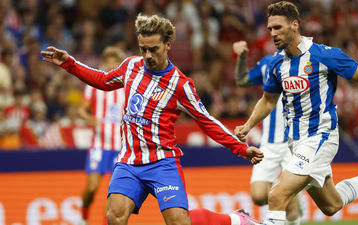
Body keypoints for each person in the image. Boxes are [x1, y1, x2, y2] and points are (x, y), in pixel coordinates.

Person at [42, 14, 264, 225]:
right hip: (129, 162)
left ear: (168, 45)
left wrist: (241, 149)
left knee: (179, 222)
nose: (147, 55)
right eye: (143, 49)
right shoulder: (131, 66)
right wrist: (68, 63)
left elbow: (206, 121)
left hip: (163, 163)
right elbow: (102, 80)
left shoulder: (180, 84)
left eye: (153, 49)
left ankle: (234, 220)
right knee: (114, 215)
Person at [234, 2, 358, 225]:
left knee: (276, 195)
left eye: (278, 27)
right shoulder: (276, 63)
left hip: (320, 137)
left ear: (294, 25)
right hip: (296, 142)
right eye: (270, 29)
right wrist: (248, 125)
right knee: (331, 205)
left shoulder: (323, 54)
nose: (273, 33)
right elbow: (268, 100)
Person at [233, 40, 301, 225]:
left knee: (287, 196)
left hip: (293, 142)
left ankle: (293, 209)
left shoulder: (305, 62)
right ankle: (291, 199)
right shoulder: (267, 64)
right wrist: (242, 57)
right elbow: (241, 80)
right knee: (258, 196)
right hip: (269, 144)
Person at [78, 46, 126, 225]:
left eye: (115, 61)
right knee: (92, 187)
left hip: (120, 147)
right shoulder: (94, 86)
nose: (111, 64)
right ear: (104, 63)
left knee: (115, 192)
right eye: (108, 61)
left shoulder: (126, 87)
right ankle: (83, 216)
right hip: (99, 144)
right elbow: (81, 111)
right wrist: (90, 118)